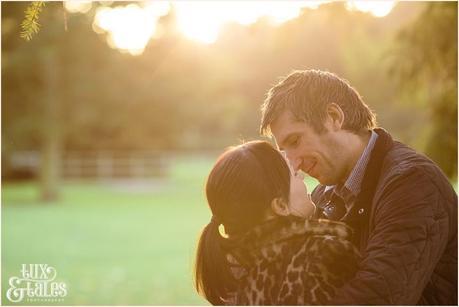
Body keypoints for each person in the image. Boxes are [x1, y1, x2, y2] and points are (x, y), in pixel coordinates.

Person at [260, 69, 458, 305]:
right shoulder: (323, 197)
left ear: (333, 116)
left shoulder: (412, 182)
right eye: (284, 150)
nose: (293, 163)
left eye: (295, 141)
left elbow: (378, 297)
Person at [194, 140, 360, 305]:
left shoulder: (234, 271)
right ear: (280, 206)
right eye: (294, 175)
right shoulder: (325, 255)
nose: (301, 175)